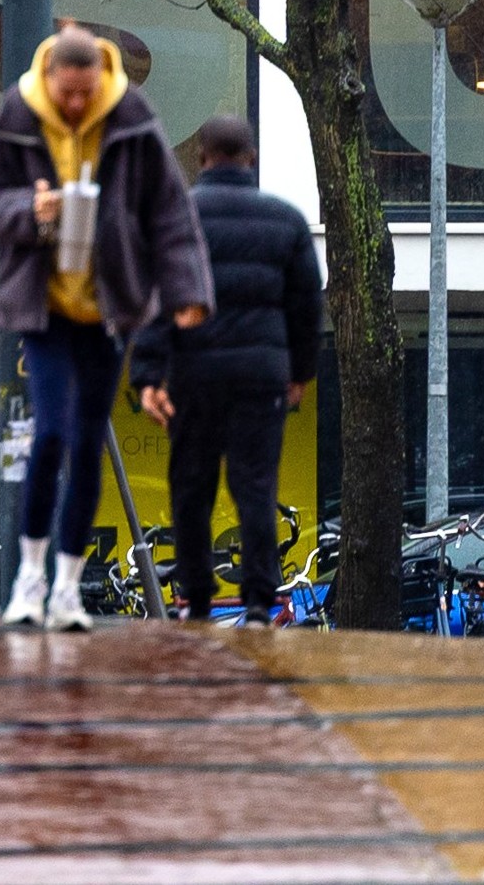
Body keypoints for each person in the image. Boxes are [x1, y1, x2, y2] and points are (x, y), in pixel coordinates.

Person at [0, 22, 210, 630]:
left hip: (108, 309)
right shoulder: (20, 113)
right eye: (67, 94)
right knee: (49, 435)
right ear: (49, 80)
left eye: (86, 93)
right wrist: (30, 209)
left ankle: (68, 587)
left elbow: (170, 212)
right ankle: (29, 578)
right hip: (45, 306)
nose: (77, 105)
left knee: (87, 441)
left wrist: (187, 293)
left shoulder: (129, 114)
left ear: (101, 79)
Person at [130, 112, 319, 622]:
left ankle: (196, 597)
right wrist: (300, 371)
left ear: (201, 157)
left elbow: (156, 297)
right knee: (255, 486)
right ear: (251, 158)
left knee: (191, 488)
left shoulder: (178, 217)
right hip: (261, 376)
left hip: (196, 373)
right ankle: (260, 601)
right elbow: (306, 307)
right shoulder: (286, 220)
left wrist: (147, 374)